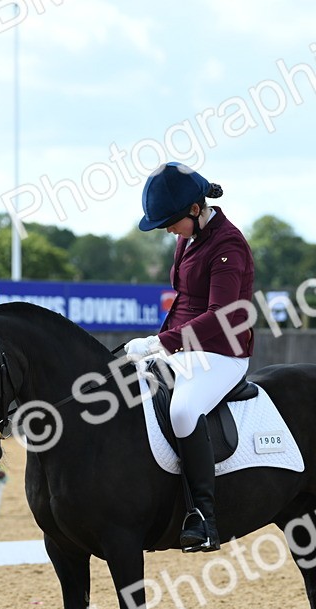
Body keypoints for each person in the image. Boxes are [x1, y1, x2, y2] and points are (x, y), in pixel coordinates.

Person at [124, 163, 255, 553]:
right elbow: (186, 302)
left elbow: (224, 315)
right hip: (182, 347)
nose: (167, 230)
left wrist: (162, 342)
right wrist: (158, 344)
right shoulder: (189, 239)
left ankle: (203, 516)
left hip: (221, 352)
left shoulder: (228, 245)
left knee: (182, 410)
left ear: (196, 210)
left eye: (171, 222)